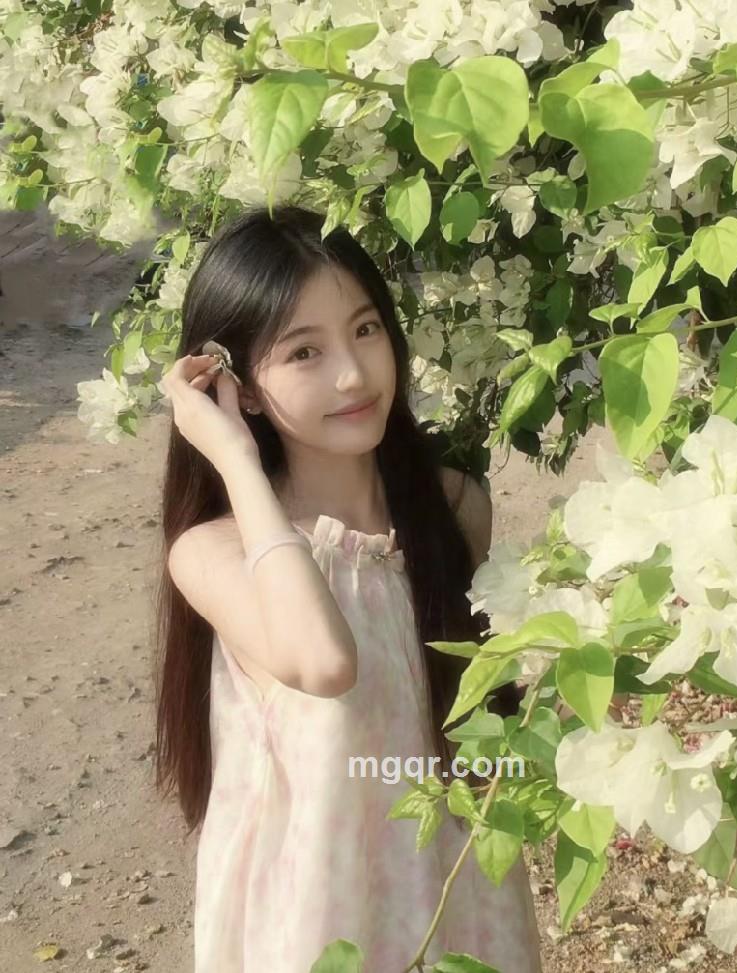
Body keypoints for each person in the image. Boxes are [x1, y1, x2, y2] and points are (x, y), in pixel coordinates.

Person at [154, 205, 543, 972]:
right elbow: (325, 662)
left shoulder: (453, 508)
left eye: (365, 329)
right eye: (304, 351)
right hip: (318, 914)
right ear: (242, 388)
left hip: (455, 893)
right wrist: (234, 459)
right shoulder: (214, 551)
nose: (353, 374)